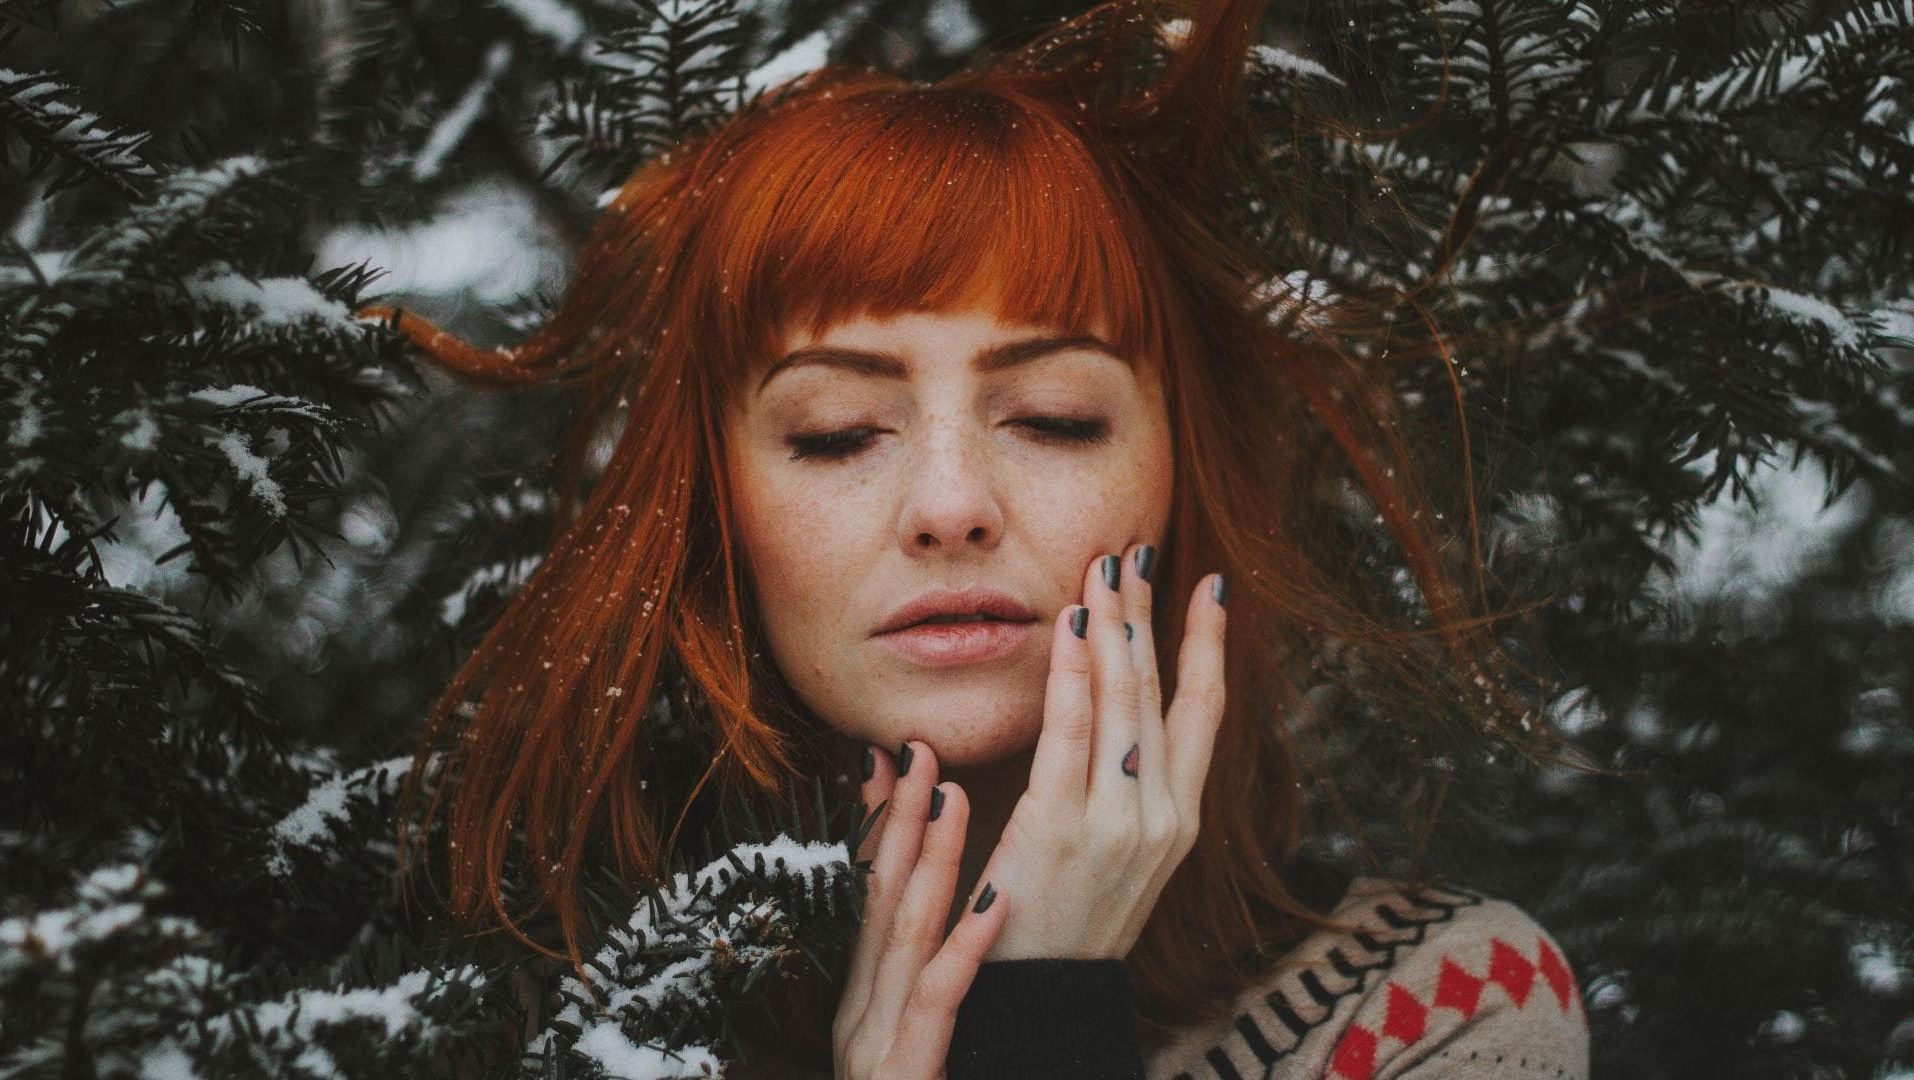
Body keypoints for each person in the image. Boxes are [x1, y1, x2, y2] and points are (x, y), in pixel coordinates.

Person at [365, 0, 1592, 1075]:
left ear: (1180, 471)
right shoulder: (551, 1031)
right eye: (839, 432)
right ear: (718, 514)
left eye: (1054, 418)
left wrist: (1039, 1017)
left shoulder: (1439, 1007)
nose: (951, 504)